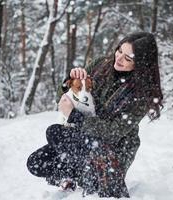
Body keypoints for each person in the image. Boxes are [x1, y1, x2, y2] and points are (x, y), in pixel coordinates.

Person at [26, 32, 163, 198]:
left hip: (112, 148)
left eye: (127, 58)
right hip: (82, 138)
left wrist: (75, 116)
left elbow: (112, 133)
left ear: (140, 64)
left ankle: (97, 176)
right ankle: (82, 173)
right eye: (119, 51)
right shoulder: (100, 64)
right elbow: (63, 100)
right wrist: (69, 81)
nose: (118, 59)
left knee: (55, 132)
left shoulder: (142, 93)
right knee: (36, 162)